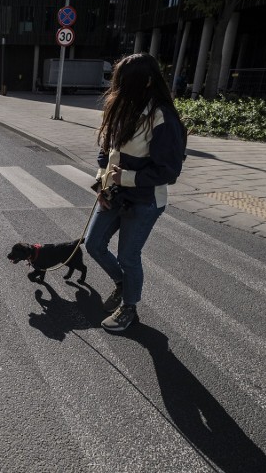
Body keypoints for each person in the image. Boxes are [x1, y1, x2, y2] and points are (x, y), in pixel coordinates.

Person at [85, 53, 185, 332]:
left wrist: (127, 177)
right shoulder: (120, 105)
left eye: (127, 84)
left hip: (145, 201)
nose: (119, 91)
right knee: (93, 244)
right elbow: (106, 152)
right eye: (119, 83)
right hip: (115, 193)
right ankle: (122, 284)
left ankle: (129, 306)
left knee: (128, 256)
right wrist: (101, 185)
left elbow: (169, 171)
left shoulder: (162, 117)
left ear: (148, 82)